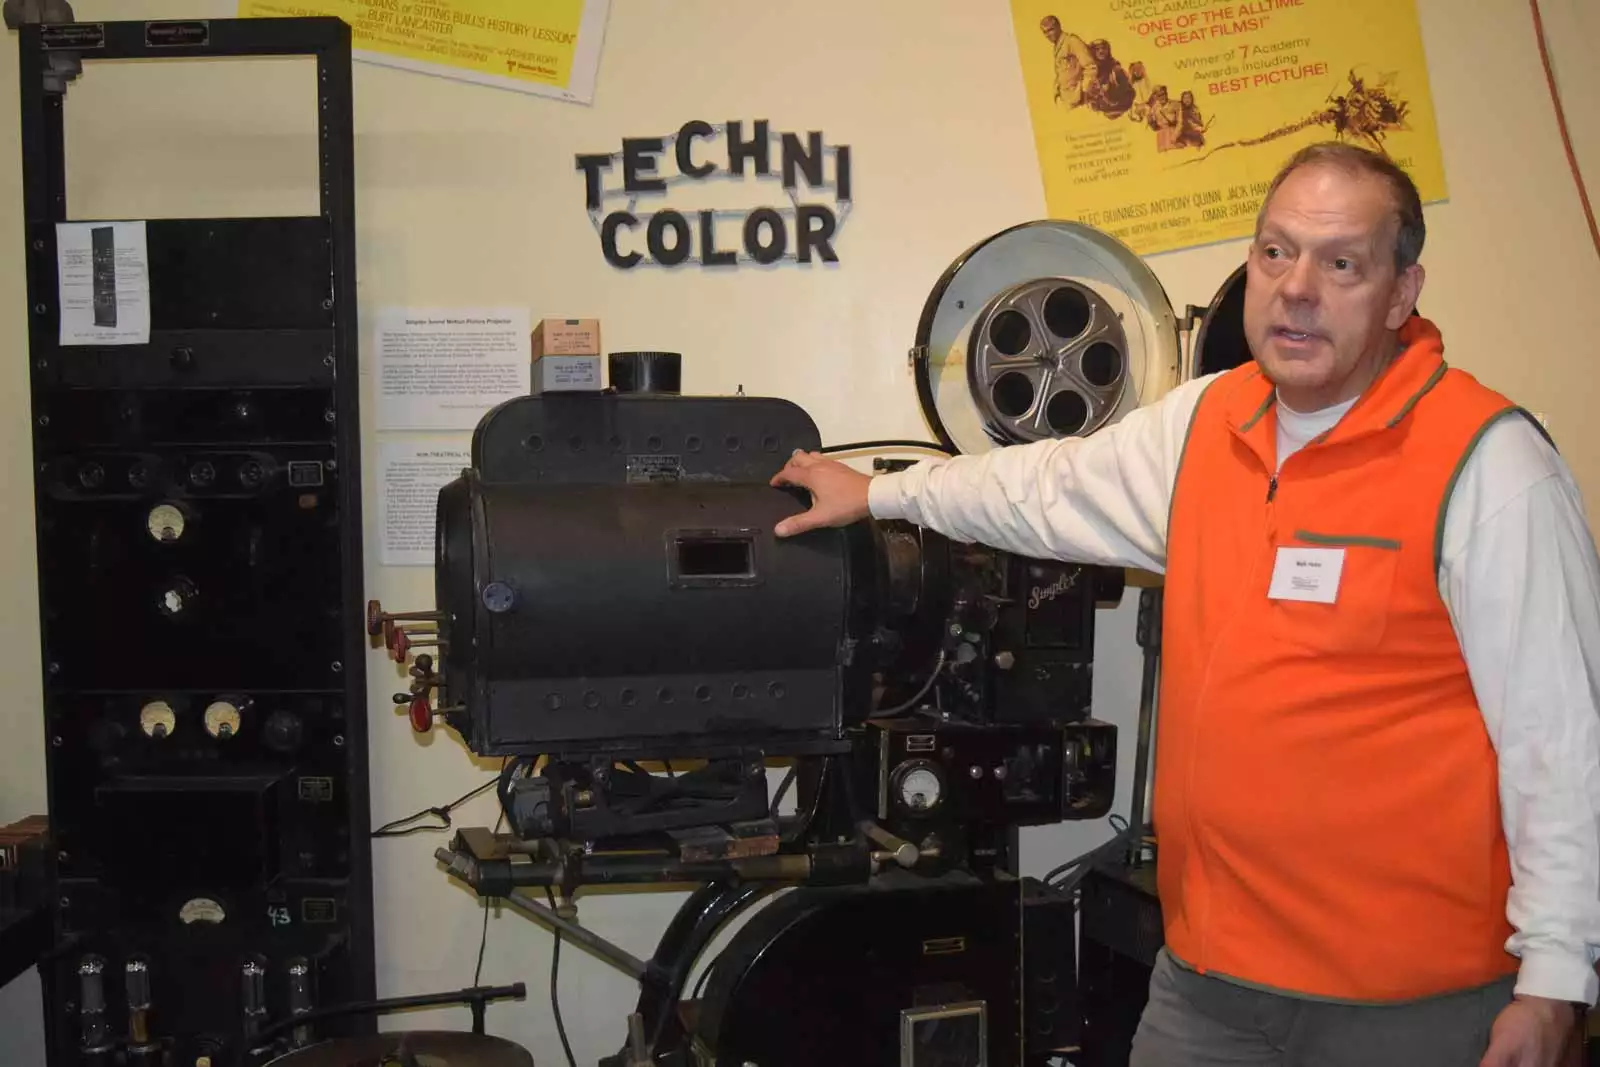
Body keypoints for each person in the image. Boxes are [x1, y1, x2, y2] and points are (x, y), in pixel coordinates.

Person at [770, 141, 1600, 1067]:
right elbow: (1045, 487)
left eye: (1341, 264)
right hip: (1209, 983)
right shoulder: (1206, 422)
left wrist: (1557, 979)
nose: (1296, 288)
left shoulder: (1489, 464)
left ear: (1403, 293)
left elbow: (1559, 740)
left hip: (1411, 1005)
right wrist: (883, 494)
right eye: (1275, 252)